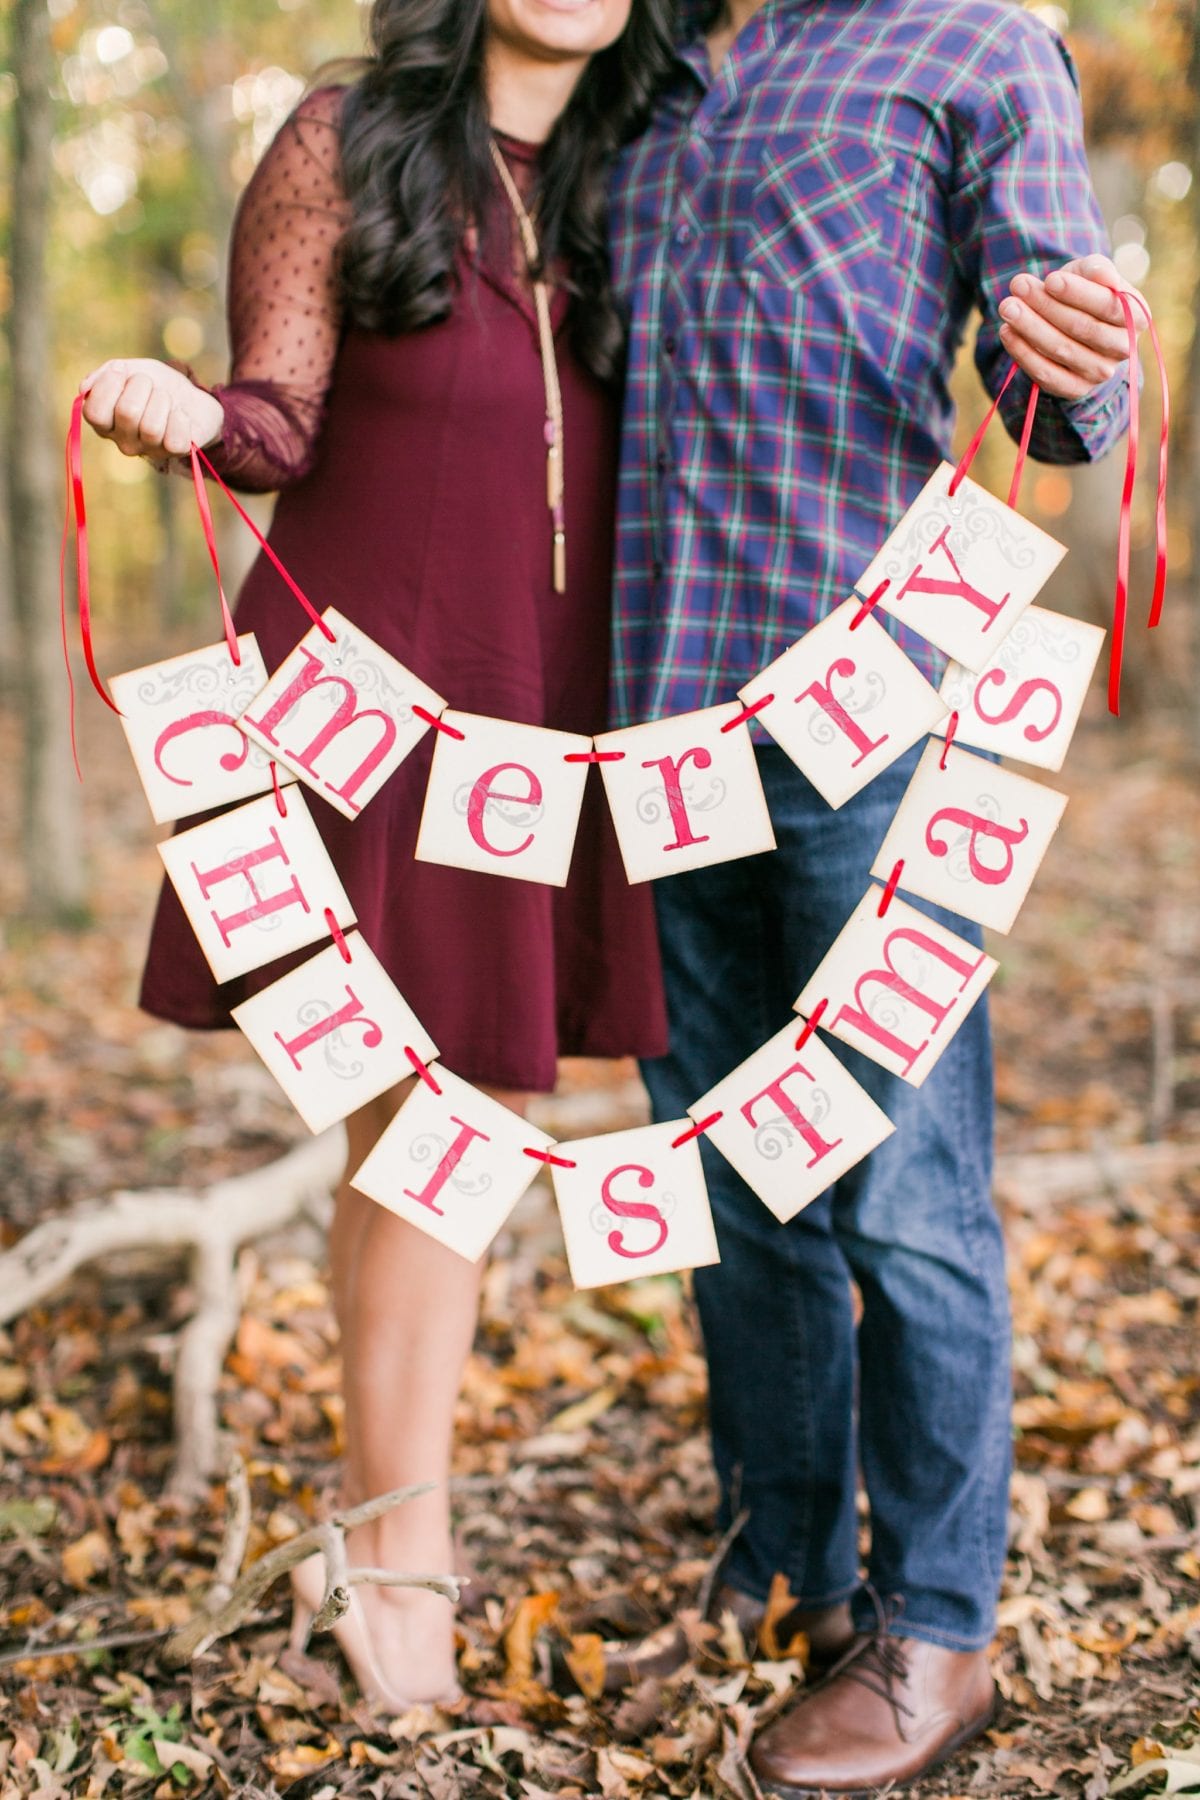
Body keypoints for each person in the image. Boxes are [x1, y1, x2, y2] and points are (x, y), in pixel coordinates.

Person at [81, 0, 674, 1711]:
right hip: (368, 692)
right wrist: (183, 413)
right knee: (442, 1125)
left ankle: (381, 1518)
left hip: (554, 718)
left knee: (429, 1133)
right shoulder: (349, 138)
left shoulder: (666, 173)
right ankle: (401, 1548)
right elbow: (278, 418)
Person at [608, 0, 1138, 1789]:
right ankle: (788, 1569)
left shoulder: (977, 43)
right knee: (728, 1174)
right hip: (656, 717)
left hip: (877, 717)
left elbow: (1063, 390)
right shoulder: (640, 77)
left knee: (905, 1187)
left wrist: (1073, 352)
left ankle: (936, 1635)